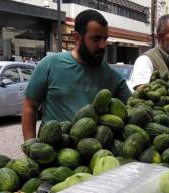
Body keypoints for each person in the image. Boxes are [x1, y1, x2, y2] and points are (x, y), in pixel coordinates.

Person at [21, 10, 131, 141]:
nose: (103, 45)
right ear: (77, 38)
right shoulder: (50, 65)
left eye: (105, 39)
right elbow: (29, 108)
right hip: (51, 154)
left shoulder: (112, 77)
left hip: (92, 155)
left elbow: (133, 109)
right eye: (96, 39)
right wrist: (31, 147)